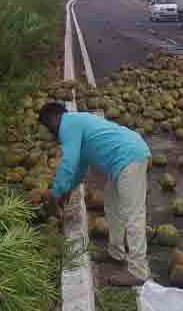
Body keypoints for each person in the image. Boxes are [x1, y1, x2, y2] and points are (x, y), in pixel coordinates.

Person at [39, 102, 151, 286]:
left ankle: (138, 272)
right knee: (112, 207)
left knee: (133, 215)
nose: (50, 132)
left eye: (47, 126)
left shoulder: (68, 124)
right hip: (121, 161)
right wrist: (67, 188)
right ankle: (116, 252)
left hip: (130, 157)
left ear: (54, 118)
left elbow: (68, 162)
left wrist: (55, 193)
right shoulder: (77, 126)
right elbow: (79, 168)